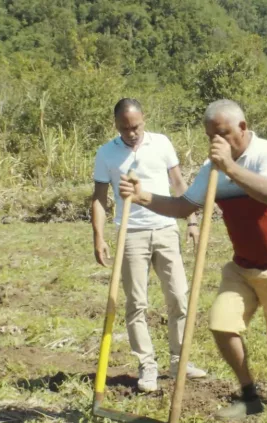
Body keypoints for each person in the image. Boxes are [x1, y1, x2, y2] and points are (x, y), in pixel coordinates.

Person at [118, 99, 267, 423]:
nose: (216, 142)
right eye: (210, 136)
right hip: (243, 267)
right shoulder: (212, 169)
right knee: (221, 326)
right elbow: (183, 206)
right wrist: (143, 195)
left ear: (242, 127)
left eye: (222, 133)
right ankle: (250, 396)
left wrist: (230, 168)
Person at [91, 98, 207, 393]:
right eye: (124, 128)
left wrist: (191, 222)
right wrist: (99, 236)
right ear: (116, 126)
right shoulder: (106, 153)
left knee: (179, 297)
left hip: (166, 228)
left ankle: (179, 361)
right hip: (131, 234)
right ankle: (147, 366)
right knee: (136, 304)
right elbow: (99, 198)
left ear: (145, 119)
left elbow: (179, 185)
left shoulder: (162, 143)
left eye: (136, 126)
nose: (131, 133)